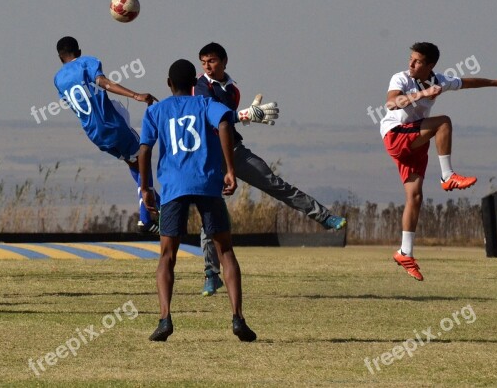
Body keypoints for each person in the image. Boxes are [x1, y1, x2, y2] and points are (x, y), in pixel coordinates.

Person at [194, 42, 347, 296]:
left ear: (224, 62)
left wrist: (249, 117)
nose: (207, 67)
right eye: (203, 62)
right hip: (209, 157)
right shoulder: (200, 86)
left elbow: (228, 122)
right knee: (212, 212)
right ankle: (211, 274)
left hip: (234, 151)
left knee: (274, 184)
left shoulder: (233, 90)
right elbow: (213, 115)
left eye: (211, 61)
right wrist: (246, 115)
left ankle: (323, 216)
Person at [140, 59, 256, 342]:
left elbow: (144, 150)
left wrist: (146, 188)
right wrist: (230, 169)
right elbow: (226, 122)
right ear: (194, 83)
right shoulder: (204, 104)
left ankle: (165, 318)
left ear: (168, 84)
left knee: (168, 256)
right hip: (206, 183)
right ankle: (238, 318)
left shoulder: (156, 111)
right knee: (225, 251)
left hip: (173, 188)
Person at [380, 42, 497, 281]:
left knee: (415, 196)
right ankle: (447, 175)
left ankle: (404, 252)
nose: (410, 64)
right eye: (410, 59)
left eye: (417, 61)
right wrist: (422, 94)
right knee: (443, 122)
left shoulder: (438, 79)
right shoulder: (401, 78)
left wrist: (496, 82)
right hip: (396, 134)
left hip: (416, 140)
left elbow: (465, 82)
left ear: (430, 65)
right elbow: (390, 103)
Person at [53, 36, 160, 233]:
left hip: (94, 133)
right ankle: (147, 218)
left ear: (60, 57)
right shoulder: (87, 62)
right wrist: (136, 95)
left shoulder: (58, 79)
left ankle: (159, 208)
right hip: (112, 124)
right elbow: (103, 82)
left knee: (134, 164)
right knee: (143, 158)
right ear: (79, 51)